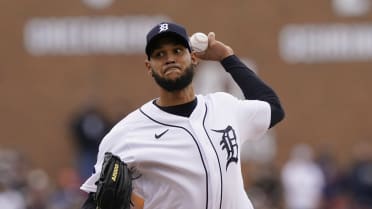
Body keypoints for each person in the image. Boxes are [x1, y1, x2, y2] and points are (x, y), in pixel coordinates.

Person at [79, 21, 285, 209]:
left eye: (177, 51)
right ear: (149, 67)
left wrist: (227, 57)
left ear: (193, 57)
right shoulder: (126, 134)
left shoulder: (223, 106)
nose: (169, 59)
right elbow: (94, 200)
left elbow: (273, 109)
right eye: (159, 54)